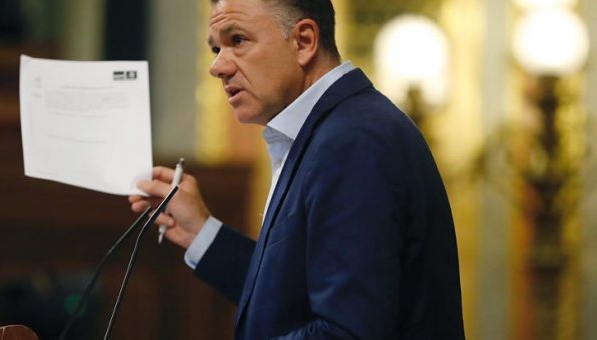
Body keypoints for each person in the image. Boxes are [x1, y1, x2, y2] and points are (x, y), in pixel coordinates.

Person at [129, 0, 465, 338]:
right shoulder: (333, 130)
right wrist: (199, 233)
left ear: (303, 41)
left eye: (238, 41)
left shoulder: (355, 141)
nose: (217, 66)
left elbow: (346, 332)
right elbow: (292, 297)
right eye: (216, 48)